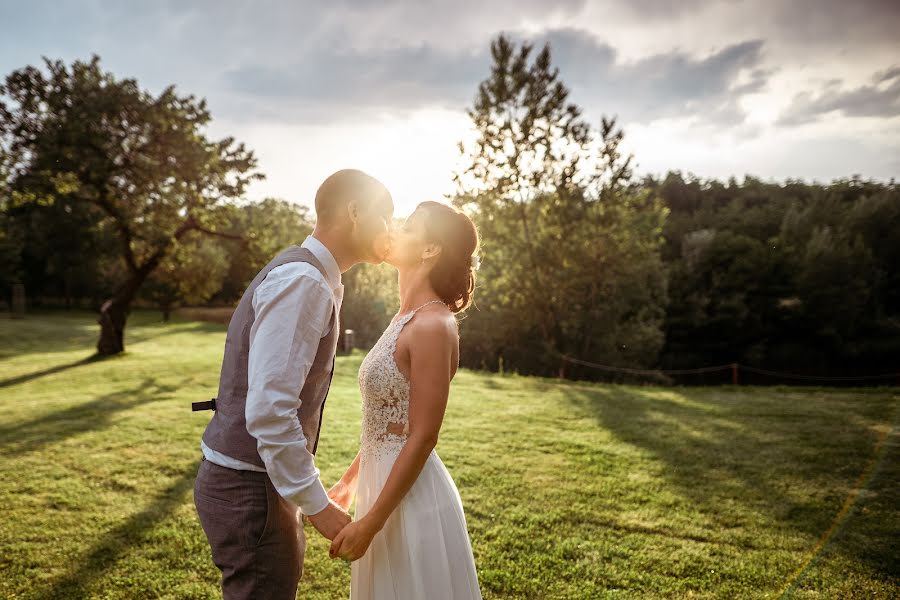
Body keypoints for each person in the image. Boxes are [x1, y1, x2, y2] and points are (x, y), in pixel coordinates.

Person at [193, 169, 393, 599]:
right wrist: (320, 508)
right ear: (355, 211)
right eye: (385, 216)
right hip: (251, 491)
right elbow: (269, 411)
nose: (389, 230)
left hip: (255, 484)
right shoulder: (304, 282)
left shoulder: (307, 275)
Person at [327, 201, 483, 599]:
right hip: (379, 487)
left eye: (409, 226)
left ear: (431, 250)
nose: (395, 229)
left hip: (410, 503)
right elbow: (386, 421)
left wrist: (371, 523)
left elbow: (423, 434)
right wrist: (349, 482)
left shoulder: (433, 324)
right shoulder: (403, 318)